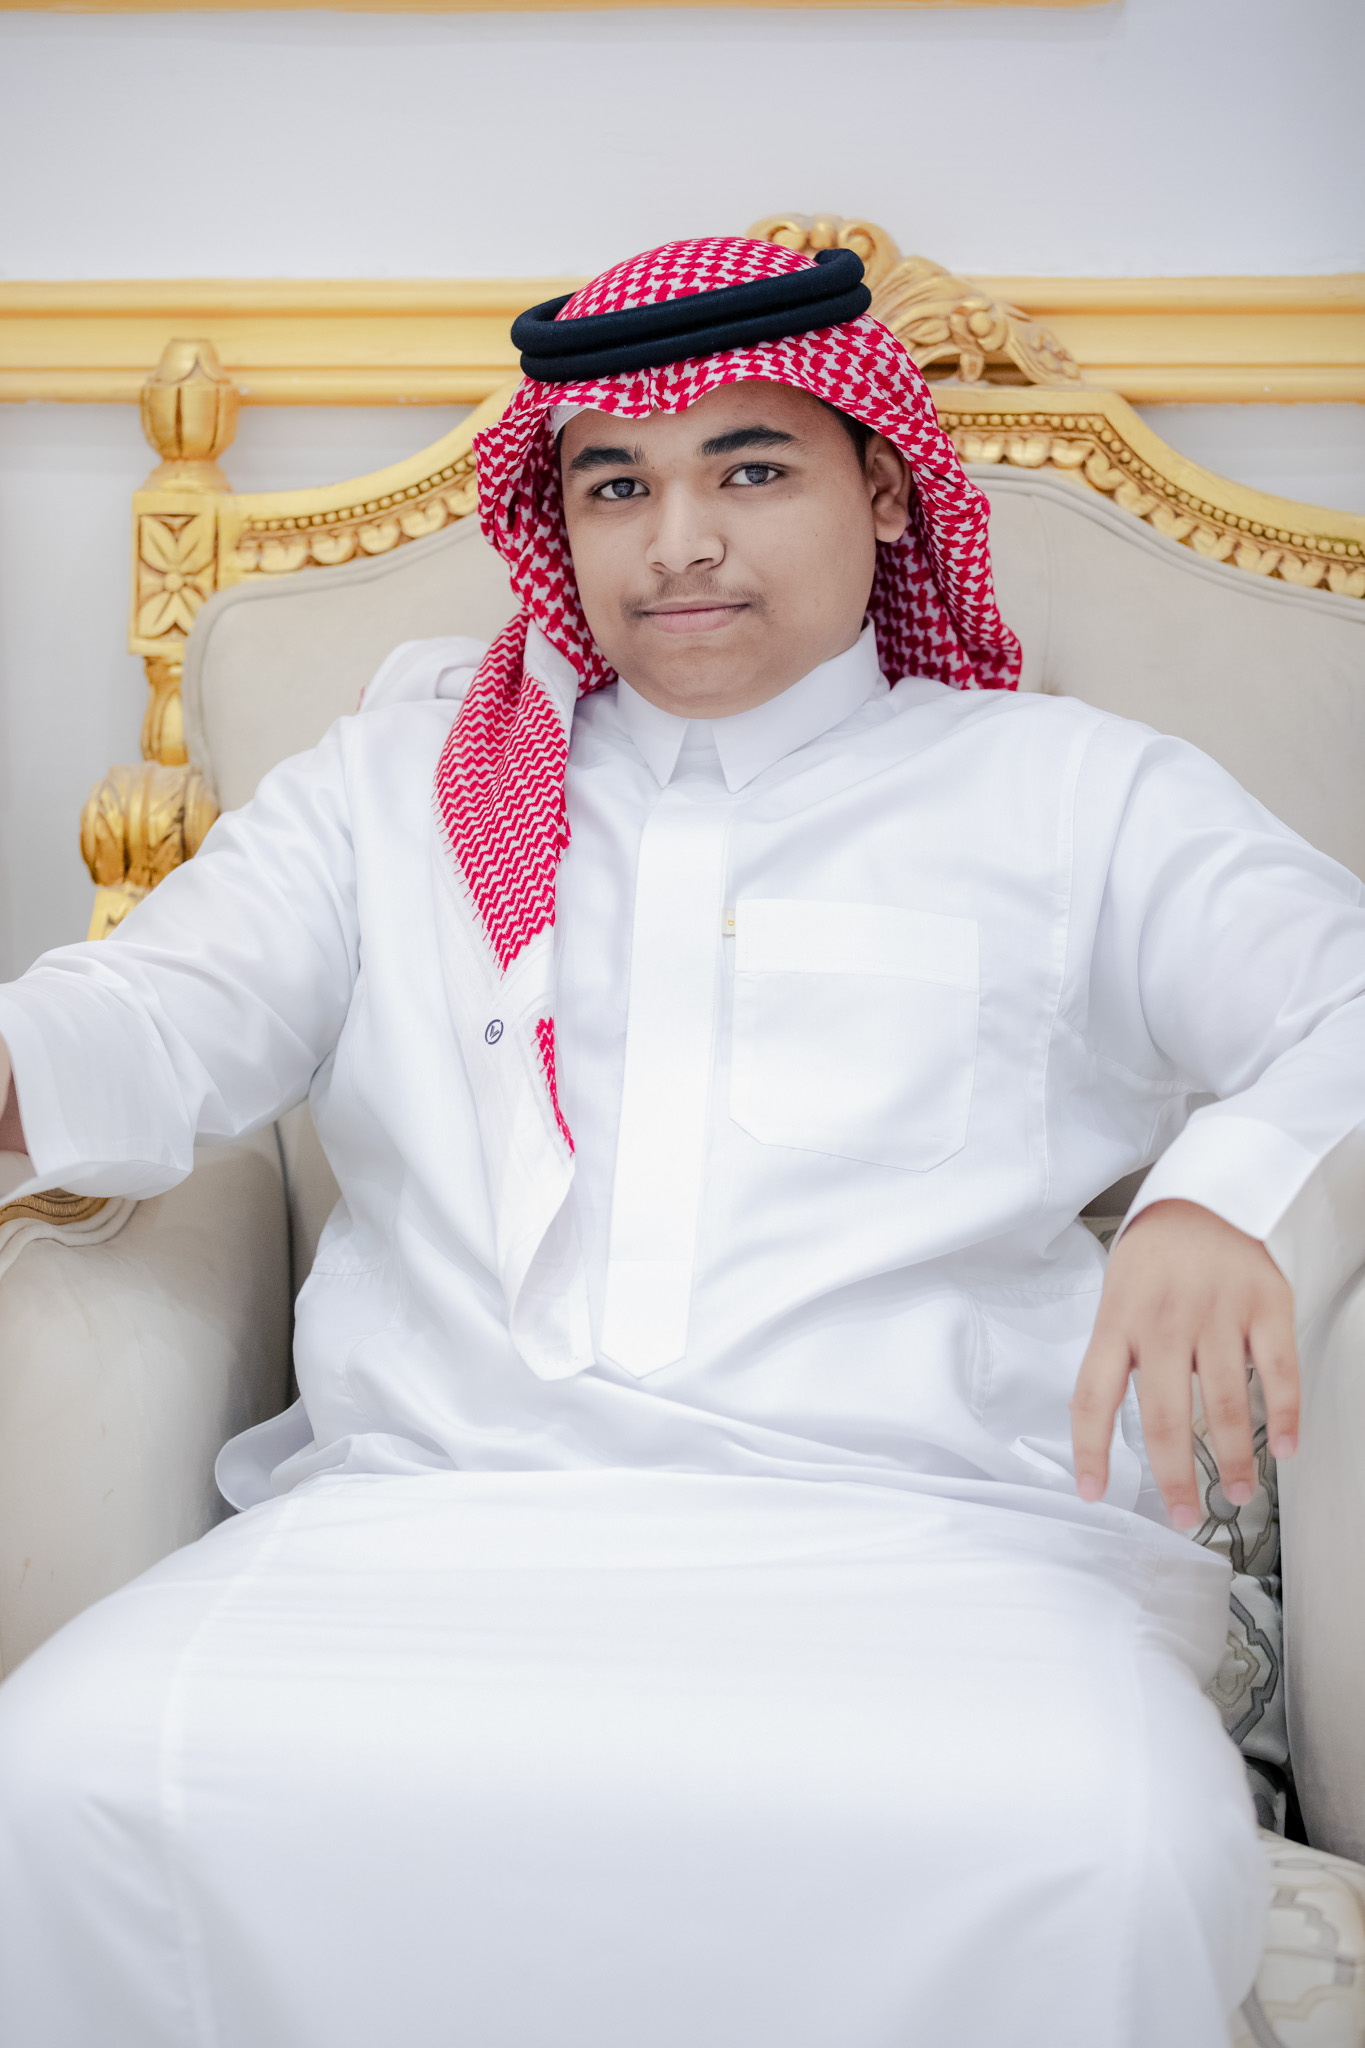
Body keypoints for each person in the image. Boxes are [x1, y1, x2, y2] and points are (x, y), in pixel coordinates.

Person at [0, 234, 1360, 2048]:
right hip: (418, 1533)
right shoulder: (396, 793)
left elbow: (1342, 995)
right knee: (66, 1780)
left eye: (751, 469)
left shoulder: (1070, 792)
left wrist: (1218, 1196)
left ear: (884, 490)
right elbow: (150, 1017)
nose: (679, 542)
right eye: (617, 486)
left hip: (941, 1554)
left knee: (1096, 1847)